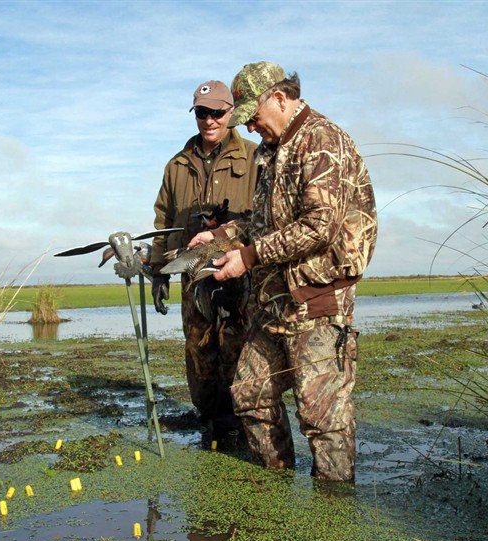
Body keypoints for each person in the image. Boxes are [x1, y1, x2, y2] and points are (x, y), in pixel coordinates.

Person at [189, 62, 377, 481]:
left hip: (318, 299)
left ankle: (334, 511)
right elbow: (263, 223)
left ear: (279, 97)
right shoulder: (273, 152)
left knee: (322, 416)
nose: (251, 128)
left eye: (253, 117)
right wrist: (223, 235)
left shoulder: (322, 141)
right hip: (273, 303)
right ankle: (275, 488)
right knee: (251, 393)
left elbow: (318, 226)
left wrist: (248, 258)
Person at [149, 80, 257, 444]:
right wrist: (157, 273)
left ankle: (242, 422)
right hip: (192, 274)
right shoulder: (176, 165)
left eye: (217, 112)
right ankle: (210, 419)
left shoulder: (256, 157)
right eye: (201, 112)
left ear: (232, 113)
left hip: (238, 272)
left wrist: (233, 243)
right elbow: (164, 222)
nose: (209, 120)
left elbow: (264, 219)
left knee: (237, 345)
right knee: (198, 347)